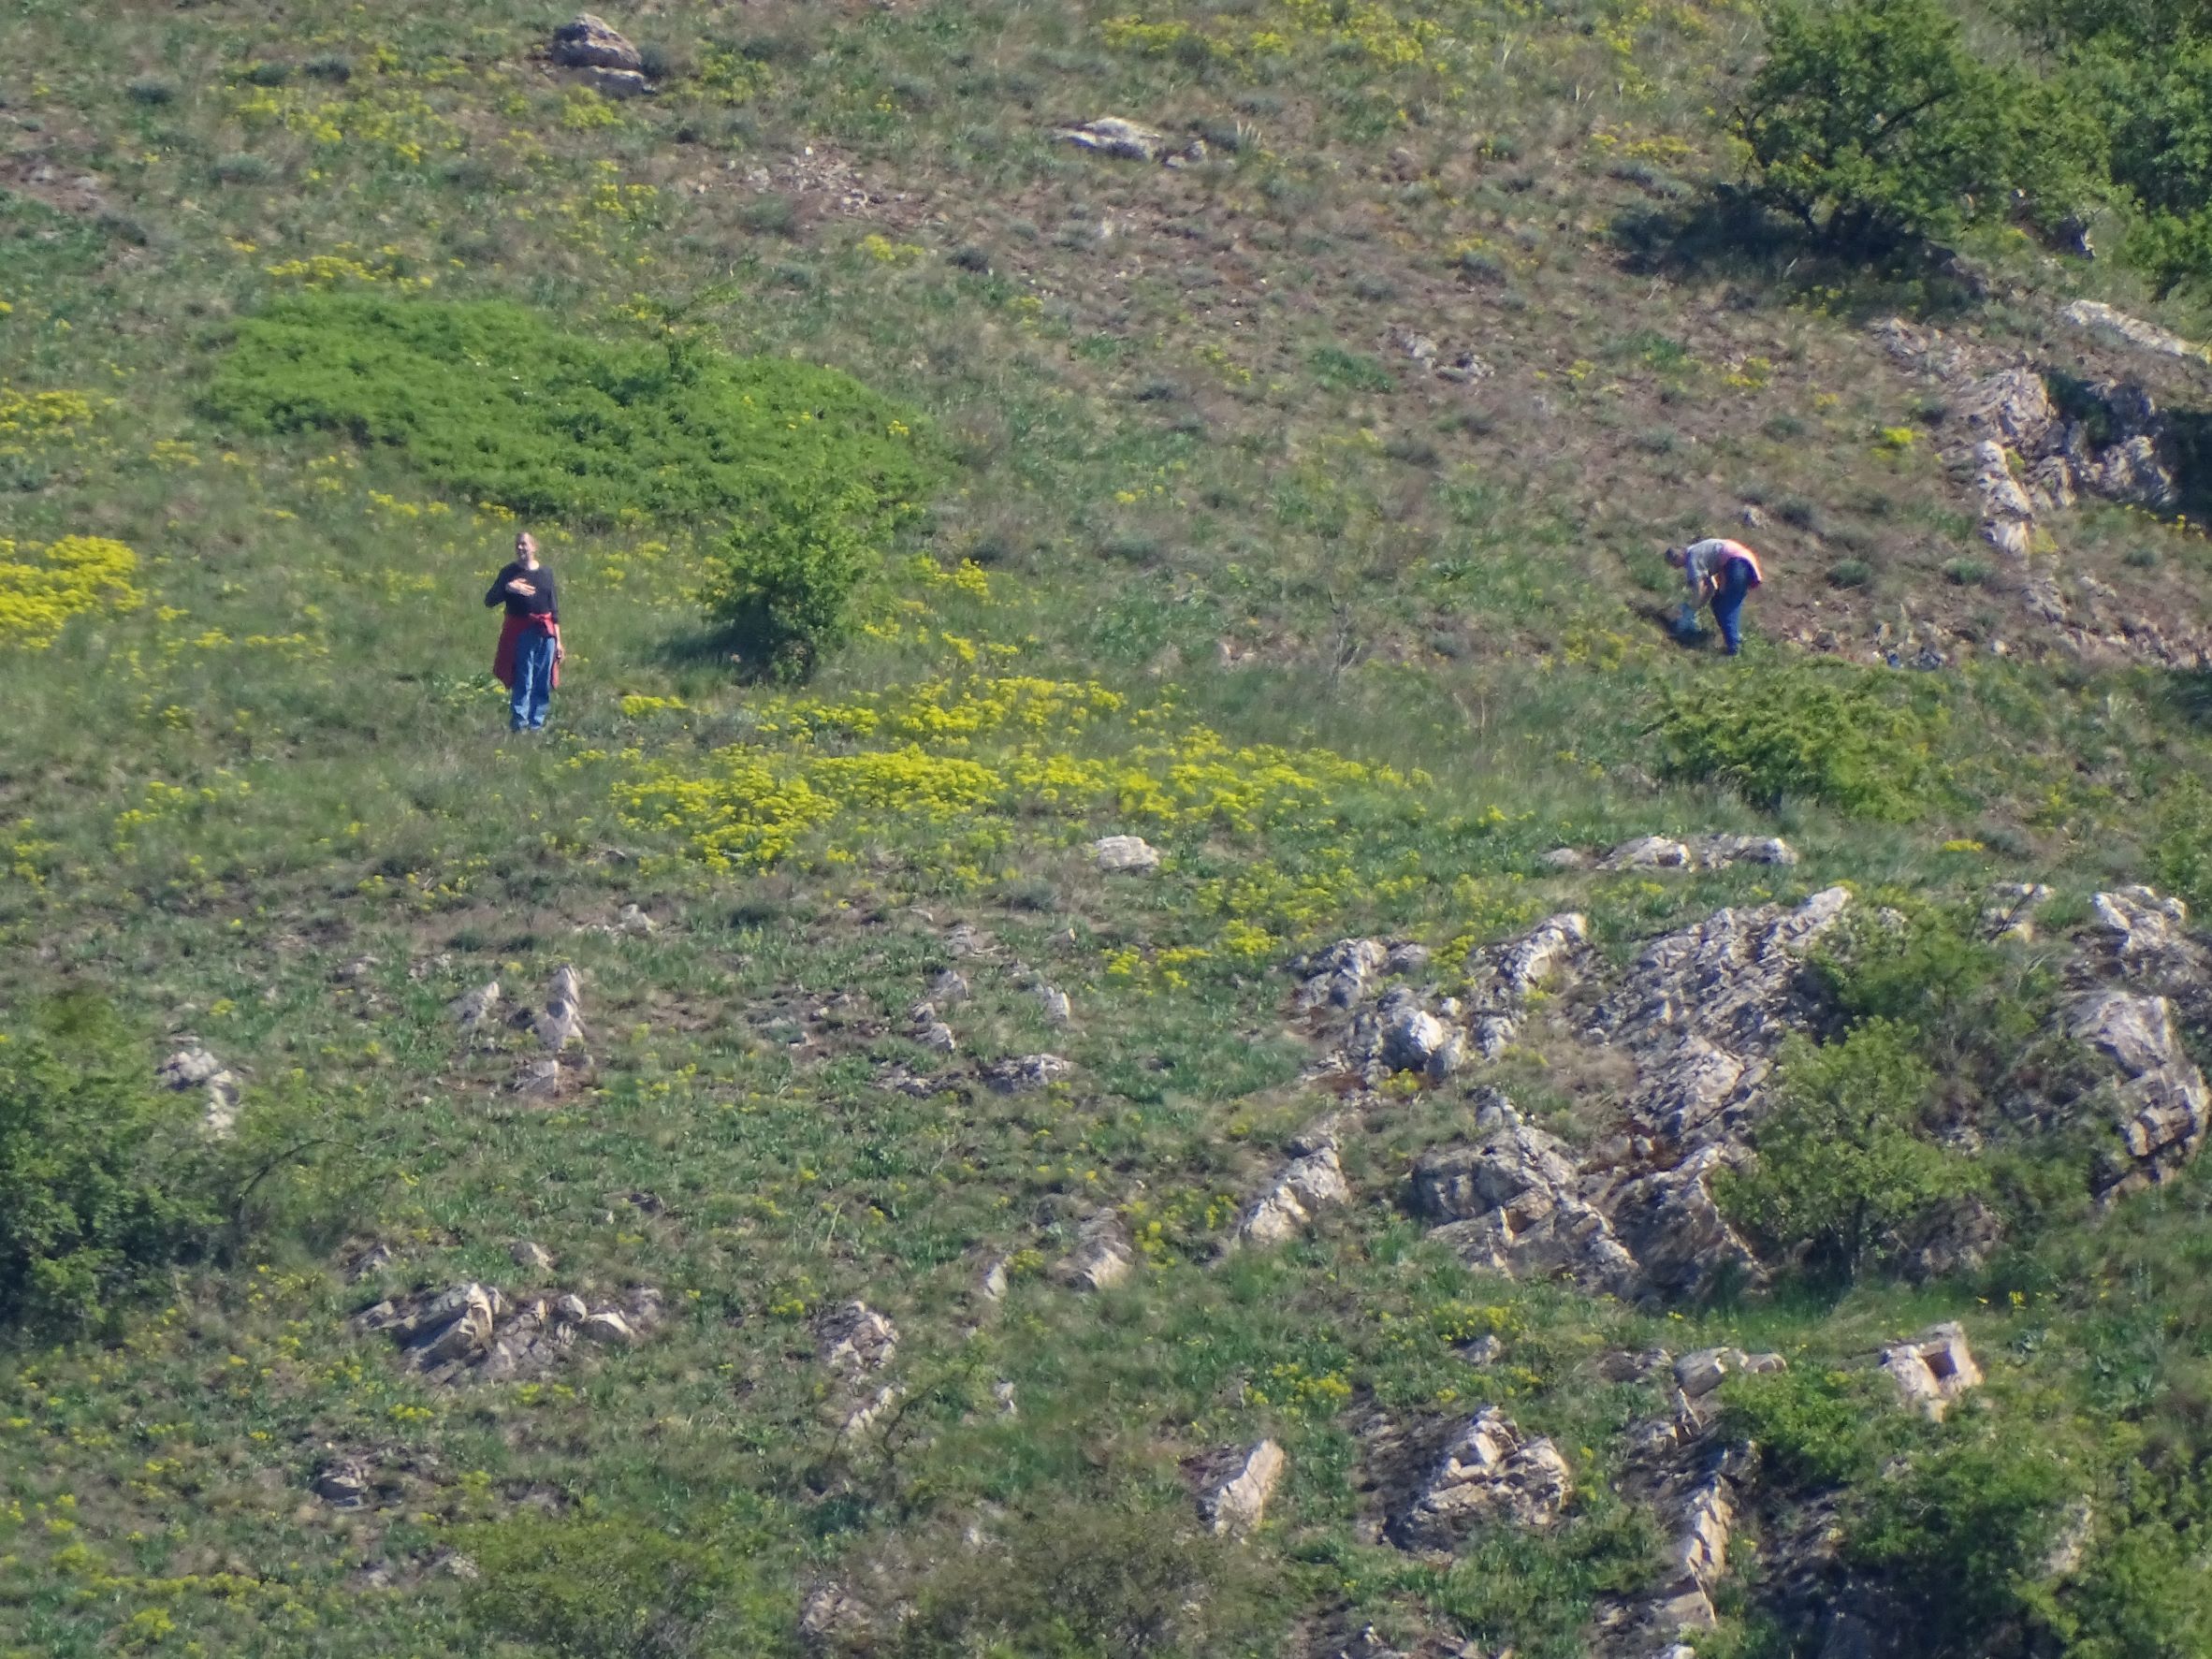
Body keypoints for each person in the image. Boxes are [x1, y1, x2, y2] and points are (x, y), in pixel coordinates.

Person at [486, 531, 564, 731]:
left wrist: (559, 641)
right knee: (524, 679)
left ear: (534, 547)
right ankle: (519, 725)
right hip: (521, 632)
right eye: (517, 545)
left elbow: (553, 609)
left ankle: (536, 725)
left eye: (524, 544)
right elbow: (489, 600)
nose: (520, 548)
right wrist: (508, 588)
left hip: (546, 633)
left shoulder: (546, 573)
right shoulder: (509, 573)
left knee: (542, 680)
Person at [1664, 537, 1764, 656]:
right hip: (1744, 562)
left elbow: (1700, 589)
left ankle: (1734, 648)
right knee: (1718, 602)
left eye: (1674, 564)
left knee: (1726, 608)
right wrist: (1697, 606)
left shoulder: (1692, 557)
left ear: (1677, 556)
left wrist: (1690, 611)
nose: (1676, 568)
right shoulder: (1700, 552)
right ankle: (1735, 639)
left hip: (1737, 564)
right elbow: (1710, 588)